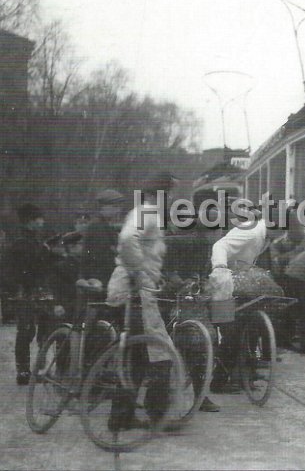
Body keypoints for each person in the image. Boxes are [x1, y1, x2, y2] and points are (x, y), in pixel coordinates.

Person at [105, 172, 178, 431]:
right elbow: (127, 240)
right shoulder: (147, 213)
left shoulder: (144, 213)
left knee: (136, 356)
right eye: (170, 194)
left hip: (131, 290)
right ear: (162, 194)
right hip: (135, 292)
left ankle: (121, 417)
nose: (171, 199)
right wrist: (138, 273)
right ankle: (159, 416)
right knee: (160, 353)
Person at [206, 204, 291, 400]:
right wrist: (220, 268)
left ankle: (244, 374)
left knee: (248, 326)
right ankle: (218, 381)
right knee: (231, 332)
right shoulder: (252, 231)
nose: (282, 233)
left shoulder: (265, 235)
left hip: (236, 281)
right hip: (222, 280)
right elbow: (219, 245)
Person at [8, 203, 59, 385]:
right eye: (38, 218)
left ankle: (36, 369)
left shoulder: (34, 242)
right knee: (27, 332)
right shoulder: (21, 244)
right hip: (28, 293)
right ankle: (25, 371)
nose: (41, 221)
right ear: (30, 221)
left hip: (38, 293)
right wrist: (46, 251)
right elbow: (26, 268)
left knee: (42, 331)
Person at [82, 189, 126, 288]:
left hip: (102, 280)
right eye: (114, 207)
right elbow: (102, 260)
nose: (118, 210)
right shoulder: (98, 227)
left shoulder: (105, 225)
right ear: (103, 207)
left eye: (119, 207)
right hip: (99, 282)